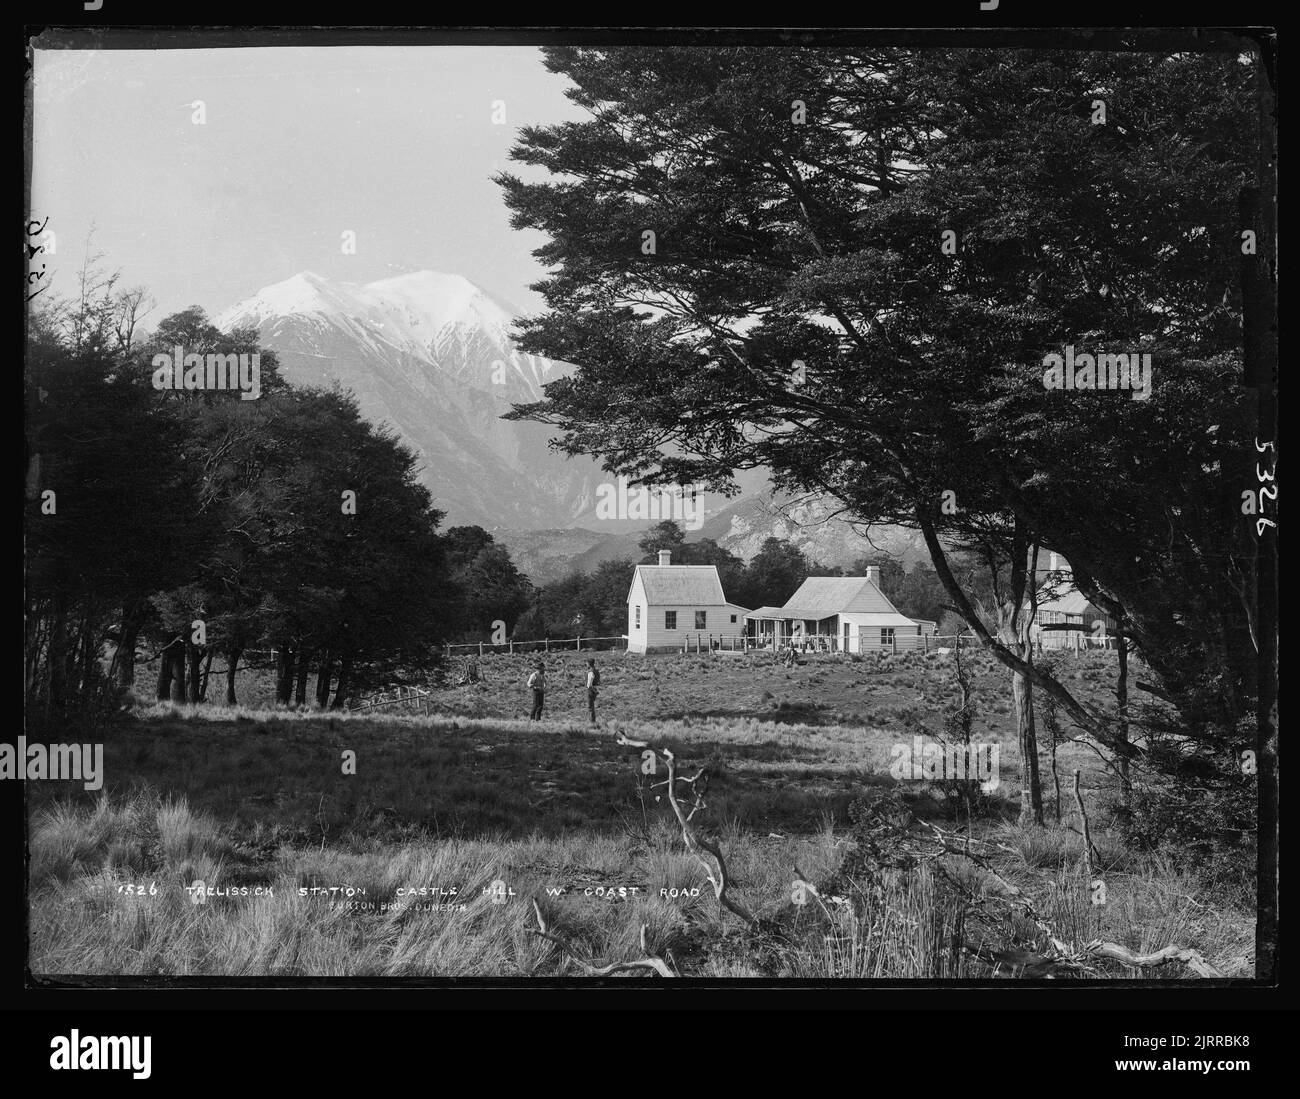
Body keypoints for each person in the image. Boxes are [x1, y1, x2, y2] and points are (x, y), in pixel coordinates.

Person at [585, 658, 600, 724]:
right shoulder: (596, 671)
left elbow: (589, 684)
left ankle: (592, 722)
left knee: (590, 707)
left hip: (591, 690)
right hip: (595, 689)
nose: (586, 664)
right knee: (592, 706)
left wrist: (589, 688)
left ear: (589, 663)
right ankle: (592, 721)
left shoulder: (591, 672)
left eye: (586, 663)